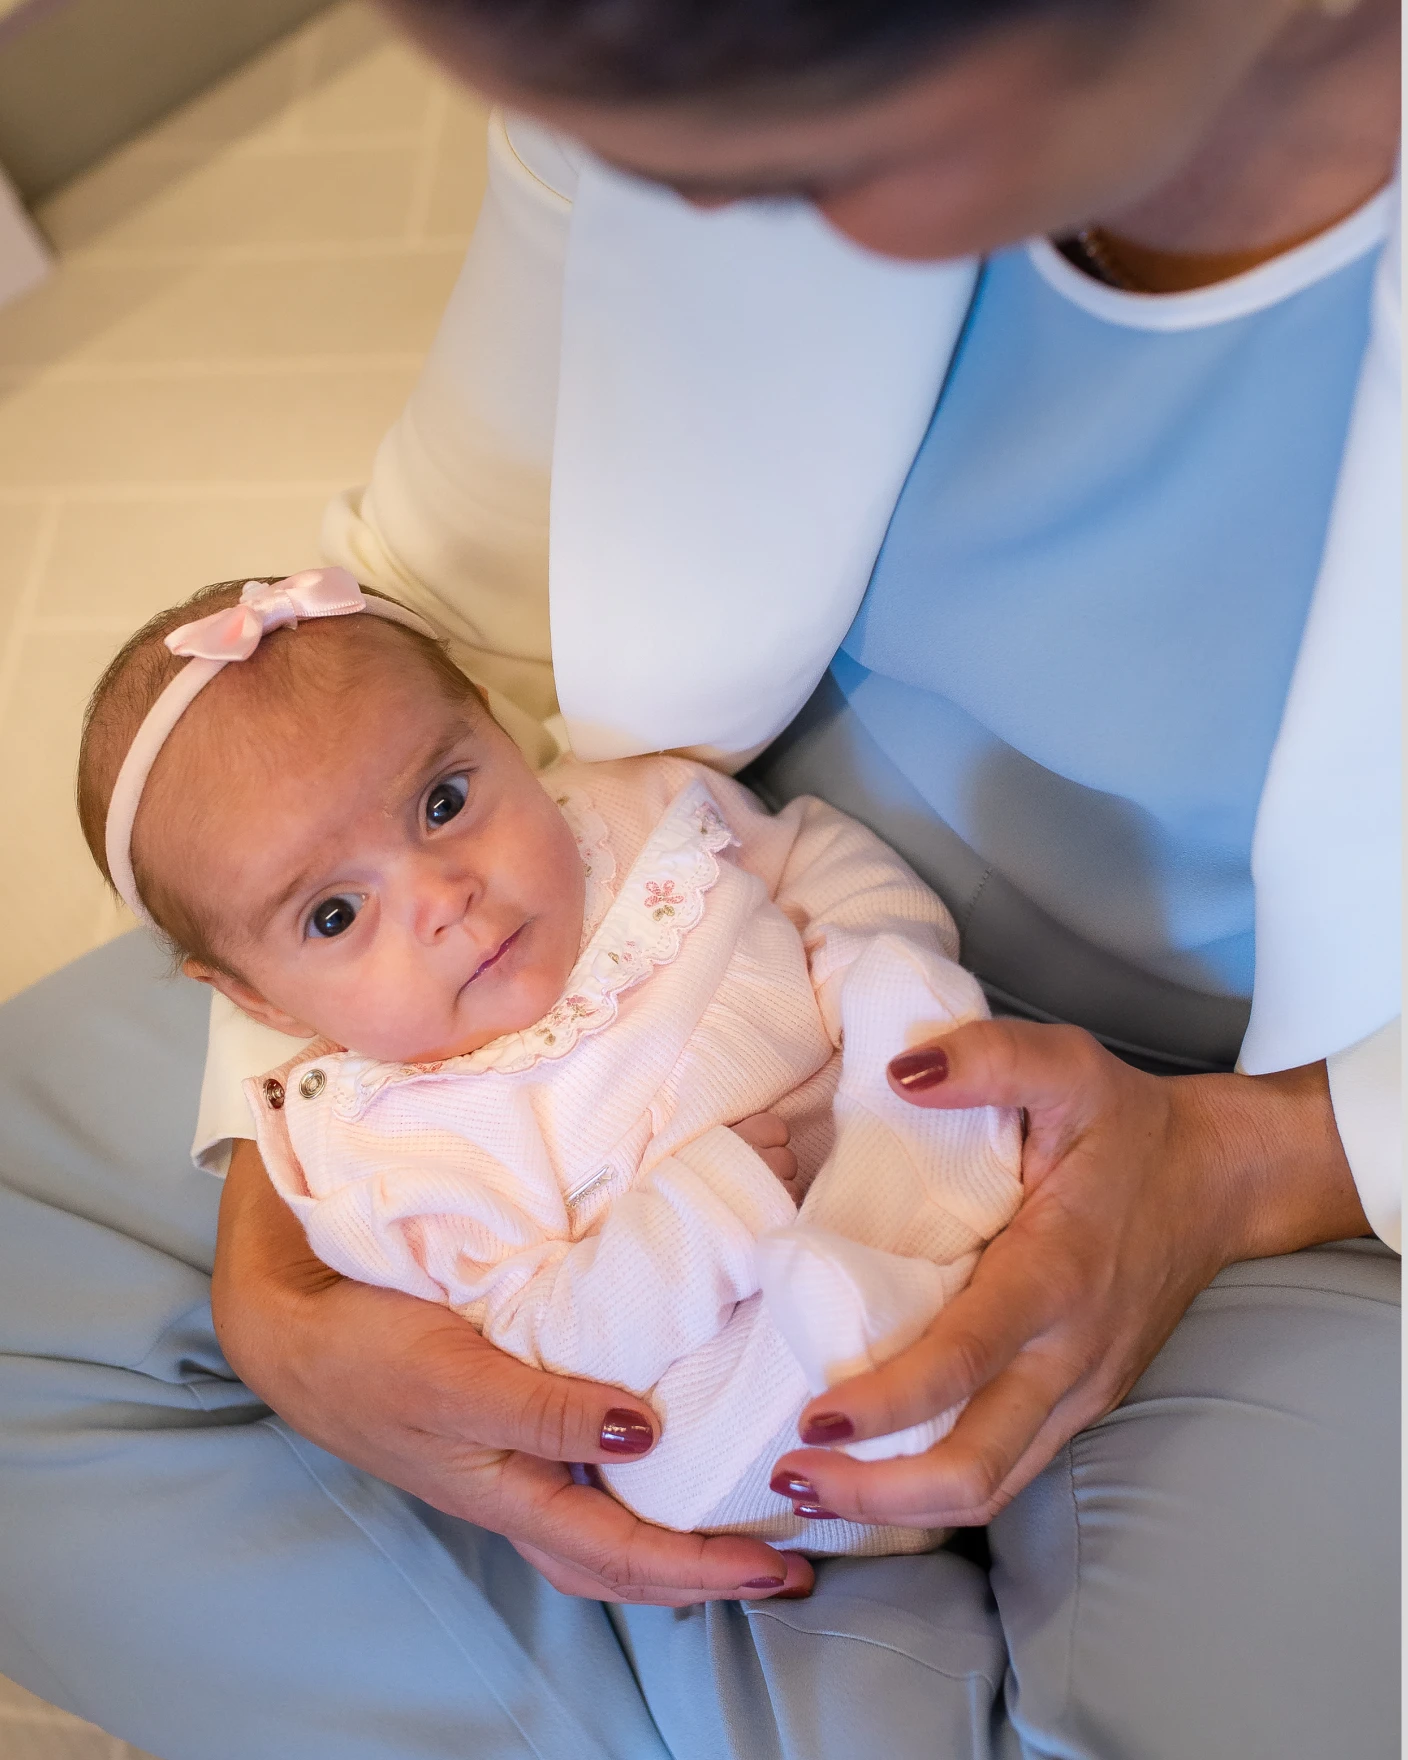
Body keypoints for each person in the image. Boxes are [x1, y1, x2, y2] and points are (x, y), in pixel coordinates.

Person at [0, 0, 1398, 1755]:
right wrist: (304, 1207)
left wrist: (1252, 1159)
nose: (730, 216)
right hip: (629, 895)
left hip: (1285, 1115)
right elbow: (428, 612)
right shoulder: (654, 59)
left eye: (796, 136)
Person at [77, 567, 1021, 1550]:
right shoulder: (380, 1162)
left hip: (882, 1130)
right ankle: (873, 1365)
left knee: (913, 1031)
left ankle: (924, 1234)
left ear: (495, 729)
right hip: (742, 1346)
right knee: (672, 1461)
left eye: (442, 801)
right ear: (258, 999)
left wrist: (873, 954)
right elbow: (542, 1339)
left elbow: (810, 854)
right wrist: (696, 1222)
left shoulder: (638, 811)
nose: (442, 894)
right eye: (335, 913)